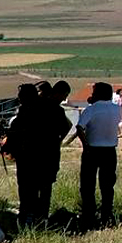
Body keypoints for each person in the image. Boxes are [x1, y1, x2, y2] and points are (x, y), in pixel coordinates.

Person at [76, 82, 122, 229]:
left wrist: (85, 145)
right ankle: (106, 214)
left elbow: (79, 127)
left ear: (99, 94)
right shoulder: (117, 109)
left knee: (88, 184)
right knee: (107, 184)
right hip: (110, 150)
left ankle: (89, 213)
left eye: (94, 92)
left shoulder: (91, 109)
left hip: (92, 149)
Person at [5, 84, 48, 227]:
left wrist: (9, 139)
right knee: (33, 187)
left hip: (28, 155)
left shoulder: (27, 112)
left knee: (26, 187)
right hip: (38, 155)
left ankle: (27, 216)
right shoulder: (42, 110)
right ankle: (33, 216)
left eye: (21, 94)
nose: (19, 97)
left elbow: (21, 131)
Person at [37, 80, 73, 221]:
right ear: (57, 93)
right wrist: (58, 140)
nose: (64, 99)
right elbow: (67, 126)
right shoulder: (56, 110)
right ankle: (42, 217)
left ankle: (31, 216)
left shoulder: (37, 106)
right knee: (45, 189)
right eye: (64, 95)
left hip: (36, 152)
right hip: (49, 153)